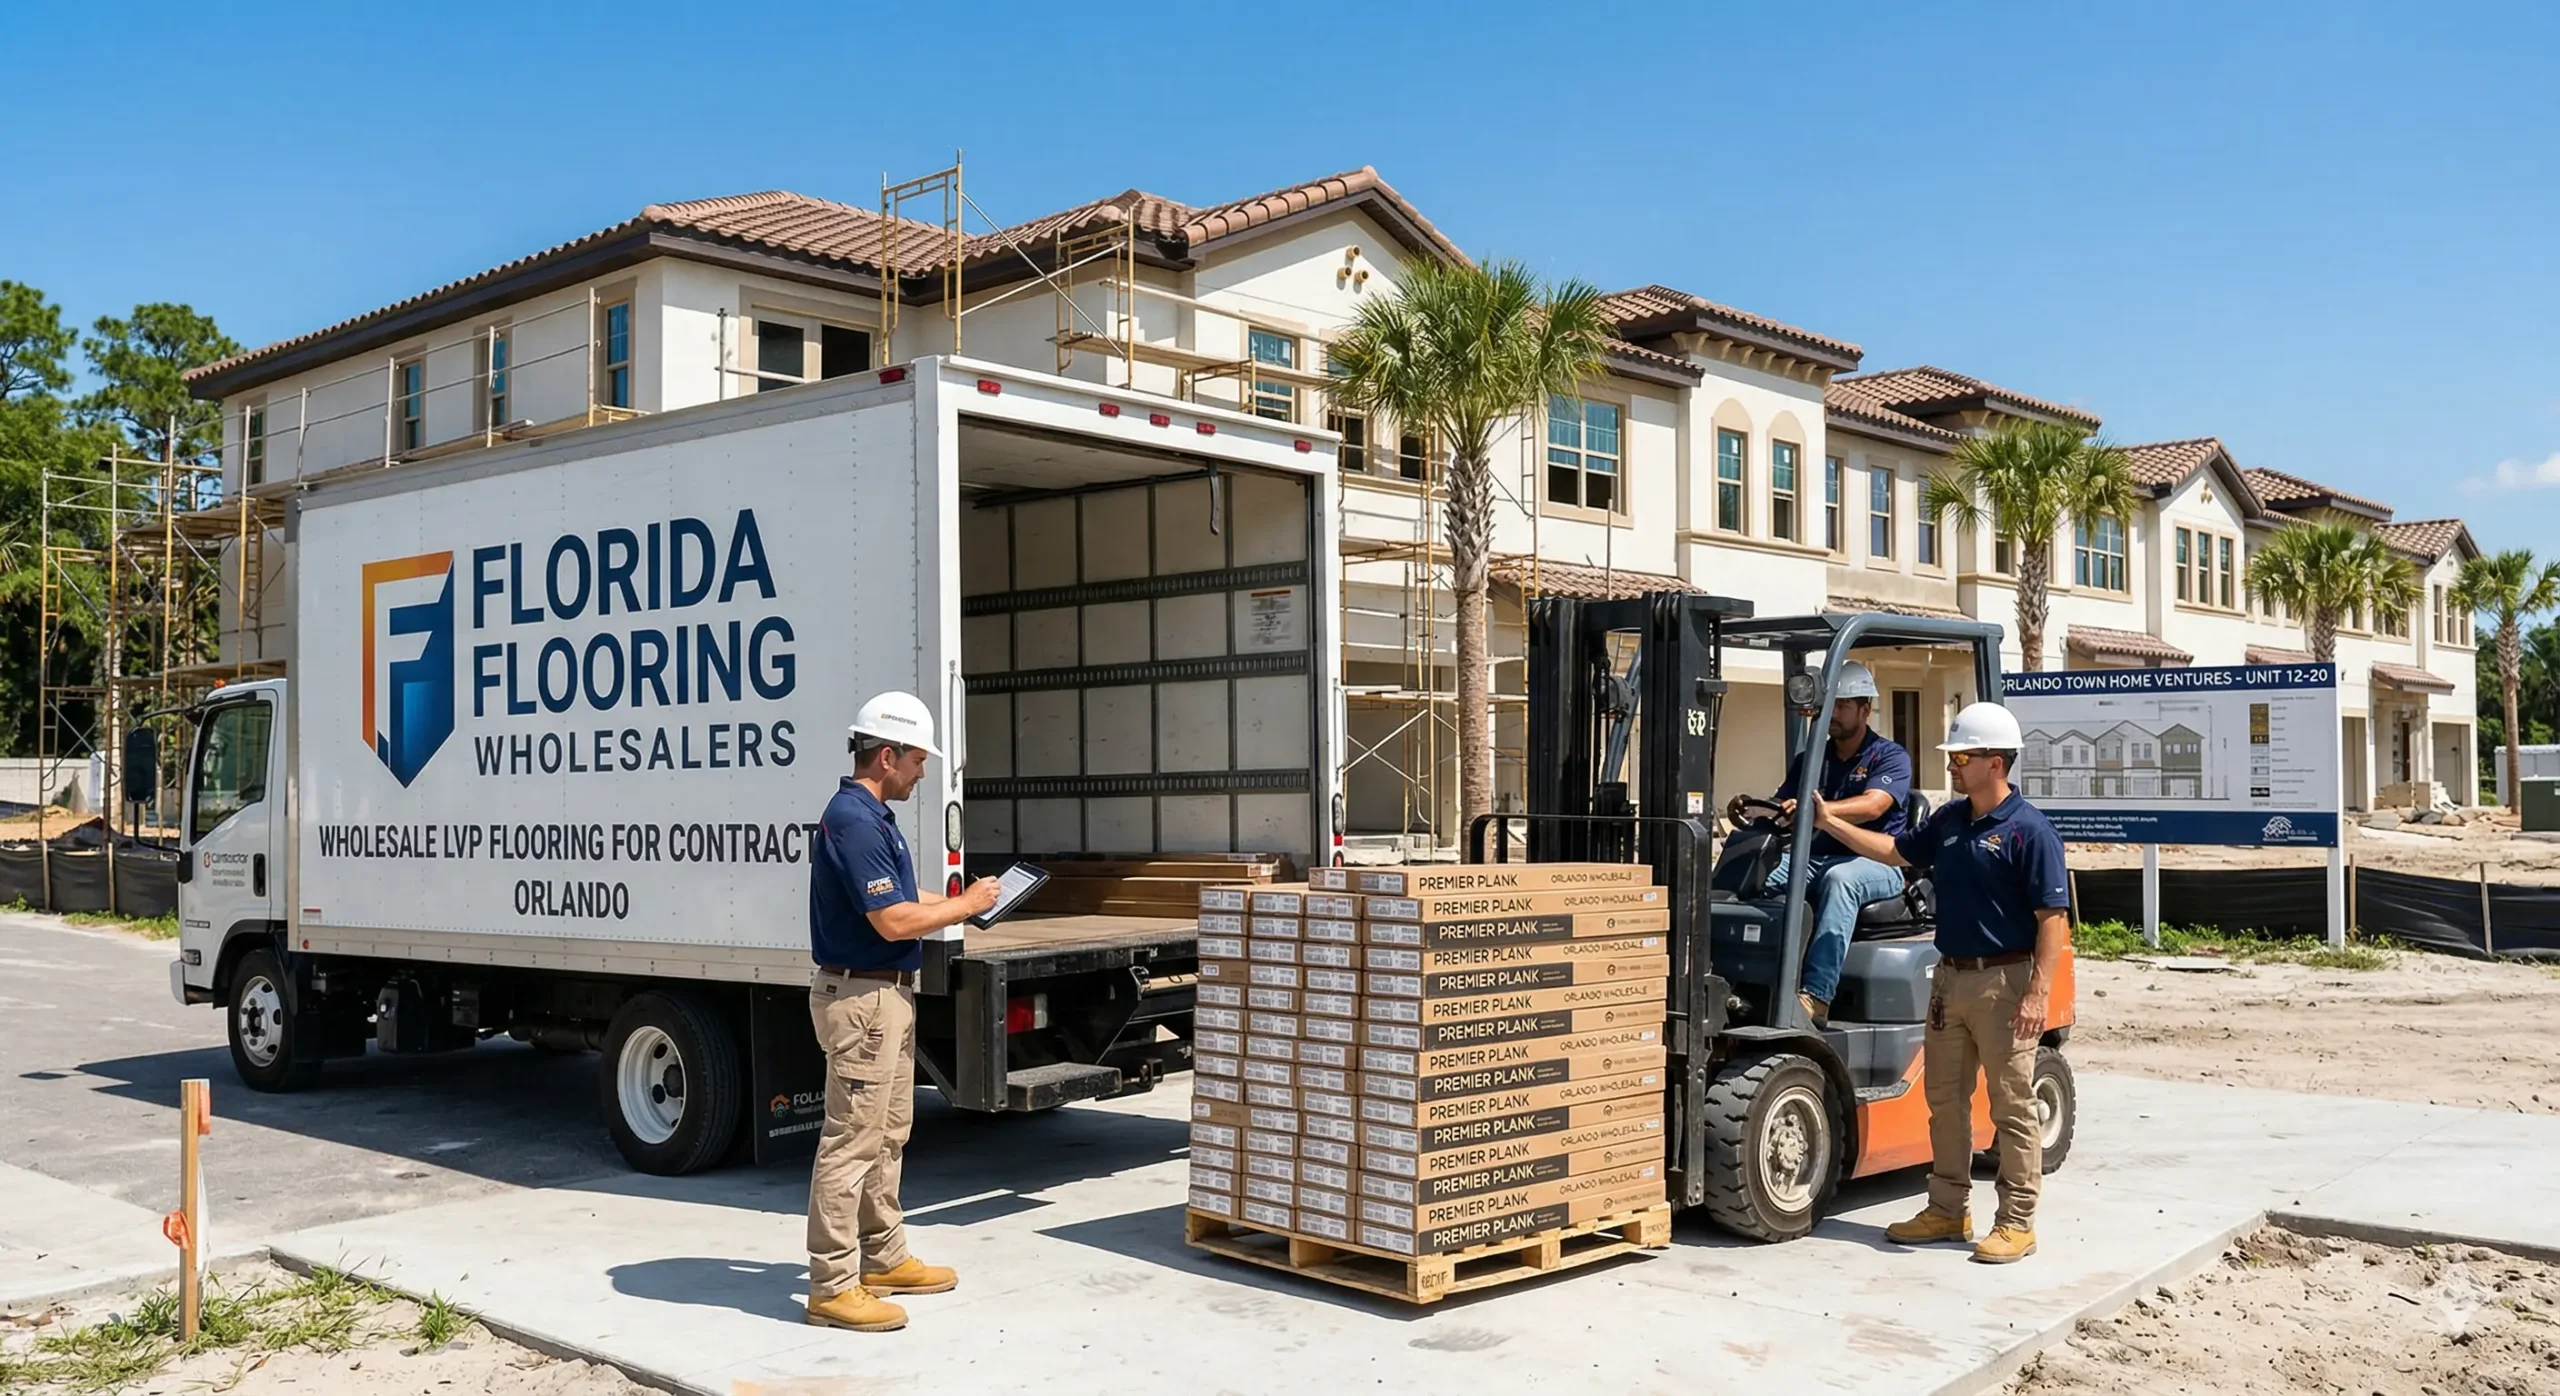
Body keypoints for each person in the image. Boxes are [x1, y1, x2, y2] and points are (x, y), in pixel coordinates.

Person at [1811, 699, 2069, 1265]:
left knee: (2011, 1106)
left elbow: (2053, 919)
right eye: (1952, 756)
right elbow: (1897, 852)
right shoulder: (1950, 821)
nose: (1952, 765)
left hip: (2005, 983)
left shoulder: (2031, 832)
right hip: (1950, 979)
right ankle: (1948, 1208)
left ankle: (2017, 1221)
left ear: (1995, 763)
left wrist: (2037, 993)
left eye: (1962, 756)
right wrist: (1831, 821)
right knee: (1944, 1101)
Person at [804, 691, 1000, 1333]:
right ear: (886, 756)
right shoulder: (856, 820)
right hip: (862, 999)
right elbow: (890, 921)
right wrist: (964, 908)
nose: (922, 772)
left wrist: (959, 899)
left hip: (883, 995)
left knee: (887, 1134)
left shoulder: (870, 815)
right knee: (851, 1143)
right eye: (917, 760)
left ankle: (883, 1259)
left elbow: (897, 897)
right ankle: (833, 1286)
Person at [1728, 661, 1911, 1026]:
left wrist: (1822, 811)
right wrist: (1754, 811)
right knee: (1748, 872)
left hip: (1879, 862)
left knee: (1841, 880)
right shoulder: (1813, 758)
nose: (1835, 714)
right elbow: (1783, 807)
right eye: (1831, 705)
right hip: (1817, 857)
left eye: (1843, 706)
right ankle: (1738, 978)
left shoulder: (1889, 756)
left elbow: (1874, 804)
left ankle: (1817, 995)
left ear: (1865, 709)